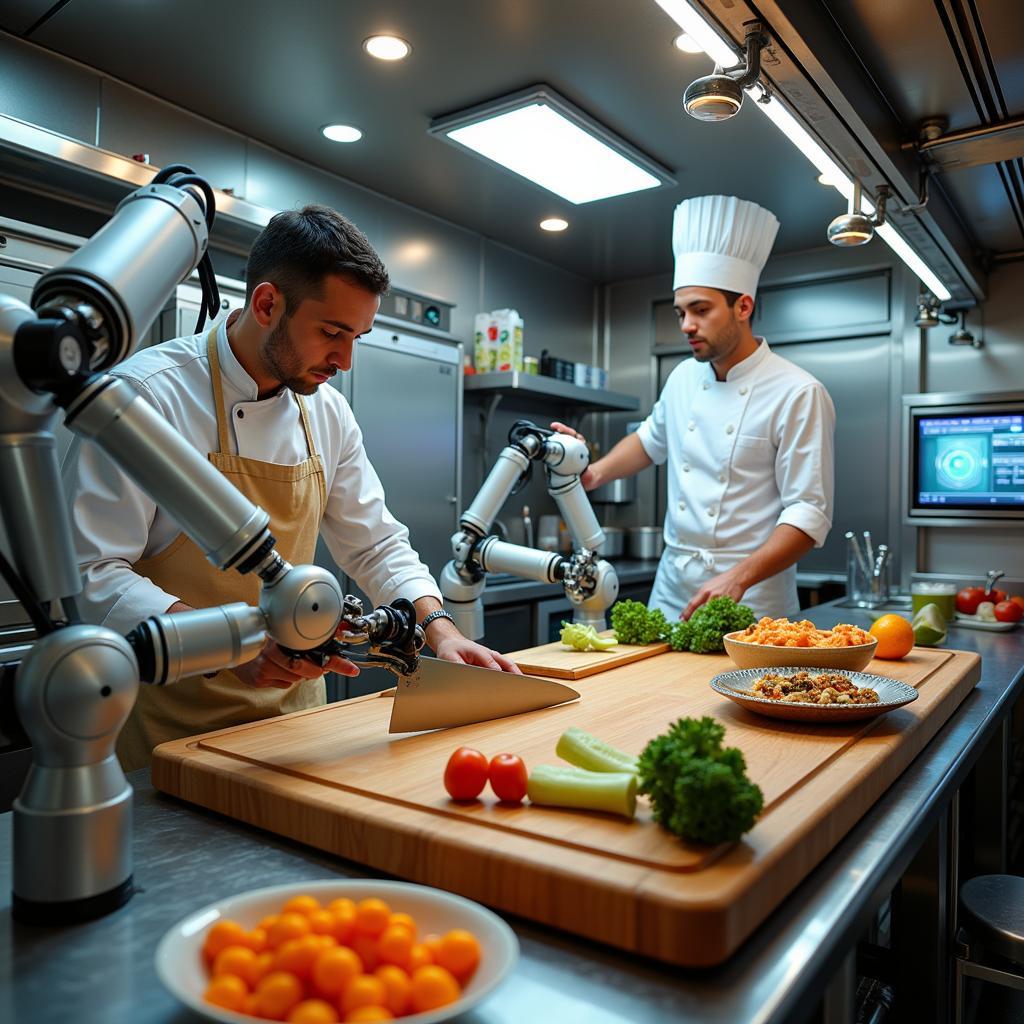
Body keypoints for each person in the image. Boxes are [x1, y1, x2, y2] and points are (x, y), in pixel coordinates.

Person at [63, 204, 520, 771]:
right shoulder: (145, 399)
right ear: (266, 303)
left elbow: (376, 544)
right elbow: (91, 577)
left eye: (357, 336)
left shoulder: (327, 412)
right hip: (165, 735)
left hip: (295, 732)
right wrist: (232, 648)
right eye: (332, 332)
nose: (346, 360)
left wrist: (441, 631)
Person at [554, 194, 835, 621]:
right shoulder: (684, 376)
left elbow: (808, 513)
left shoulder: (798, 391)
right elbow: (650, 442)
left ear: (743, 306)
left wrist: (738, 578)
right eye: (681, 312)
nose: (686, 325)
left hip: (752, 599)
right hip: (671, 590)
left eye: (701, 310)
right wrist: (594, 473)